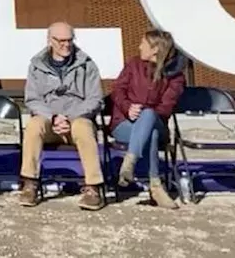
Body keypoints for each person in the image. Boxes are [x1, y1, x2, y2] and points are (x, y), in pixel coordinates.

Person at [18, 22, 105, 210]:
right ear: (50, 41)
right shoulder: (36, 66)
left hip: (77, 119)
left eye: (69, 40)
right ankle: (29, 184)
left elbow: (95, 99)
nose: (66, 45)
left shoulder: (87, 65)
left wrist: (70, 117)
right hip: (50, 121)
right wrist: (54, 117)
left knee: (84, 127)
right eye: (61, 41)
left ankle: (93, 188)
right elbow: (32, 99)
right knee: (34, 125)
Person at [108, 29, 187, 209]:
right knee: (148, 134)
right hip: (124, 123)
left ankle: (130, 161)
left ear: (155, 49)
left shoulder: (174, 76)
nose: (139, 46)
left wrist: (143, 113)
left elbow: (166, 107)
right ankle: (156, 187)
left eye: (143, 43)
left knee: (149, 116)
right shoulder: (133, 65)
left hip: (158, 122)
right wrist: (128, 107)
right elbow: (117, 90)